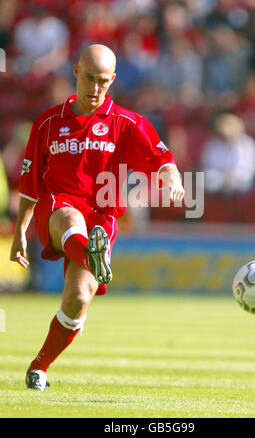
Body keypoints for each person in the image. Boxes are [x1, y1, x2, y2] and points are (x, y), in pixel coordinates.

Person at [10, 44, 184, 390]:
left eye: (103, 81)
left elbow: (161, 156)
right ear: (76, 72)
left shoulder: (127, 123)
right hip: (57, 207)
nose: (94, 88)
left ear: (113, 80)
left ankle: (39, 367)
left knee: (78, 298)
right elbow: (30, 187)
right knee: (69, 218)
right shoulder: (47, 122)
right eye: (89, 78)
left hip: (102, 217)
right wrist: (19, 233)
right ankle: (92, 252)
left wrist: (173, 178)